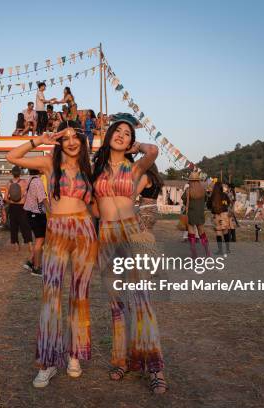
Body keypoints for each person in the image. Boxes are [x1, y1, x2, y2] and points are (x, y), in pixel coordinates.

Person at [7, 121, 97, 388]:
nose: (70, 141)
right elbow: (14, 157)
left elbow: (96, 206)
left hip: (84, 232)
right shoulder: (49, 162)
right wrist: (40, 139)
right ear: (59, 142)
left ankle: (74, 356)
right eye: (65, 137)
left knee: (80, 296)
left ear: (82, 142)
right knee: (51, 297)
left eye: (75, 137)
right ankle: (47, 363)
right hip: (56, 230)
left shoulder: (88, 169)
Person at [91, 113, 167, 393]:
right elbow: (93, 208)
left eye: (127, 133)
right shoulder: (95, 170)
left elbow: (154, 150)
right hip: (107, 236)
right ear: (109, 135)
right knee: (116, 307)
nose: (122, 135)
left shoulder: (135, 170)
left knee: (142, 301)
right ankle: (120, 360)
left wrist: (137, 147)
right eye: (118, 131)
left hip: (131, 234)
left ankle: (155, 368)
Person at [23, 168, 47, 276]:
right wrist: (51, 211)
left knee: (39, 239)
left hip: (29, 212)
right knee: (40, 240)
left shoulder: (29, 179)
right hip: (37, 213)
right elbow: (42, 198)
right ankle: (36, 267)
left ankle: (30, 261)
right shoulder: (38, 181)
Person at [5, 165, 32, 255]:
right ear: (20, 173)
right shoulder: (24, 182)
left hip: (12, 207)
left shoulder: (9, 183)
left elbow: (5, 198)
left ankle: (16, 245)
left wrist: (11, 201)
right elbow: (28, 195)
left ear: (12, 174)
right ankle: (30, 244)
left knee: (14, 227)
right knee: (25, 226)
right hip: (22, 207)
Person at [182, 172, 210, 258]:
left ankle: (194, 252)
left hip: (191, 213)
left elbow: (184, 201)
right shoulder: (203, 190)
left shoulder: (188, 191)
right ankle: (207, 252)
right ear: (198, 180)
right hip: (200, 213)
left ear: (190, 181)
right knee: (202, 232)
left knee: (191, 232)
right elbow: (206, 200)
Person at [135, 164, 163, 232]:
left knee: (142, 234)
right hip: (154, 209)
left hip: (145, 209)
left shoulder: (146, 177)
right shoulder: (158, 179)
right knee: (148, 233)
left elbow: (135, 193)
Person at [208, 181, 231, 256]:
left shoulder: (213, 196)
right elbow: (229, 203)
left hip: (216, 216)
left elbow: (208, 205)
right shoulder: (224, 195)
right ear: (221, 187)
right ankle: (227, 249)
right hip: (224, 214)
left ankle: (220, 250)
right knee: (225, 231)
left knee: (218, 232)